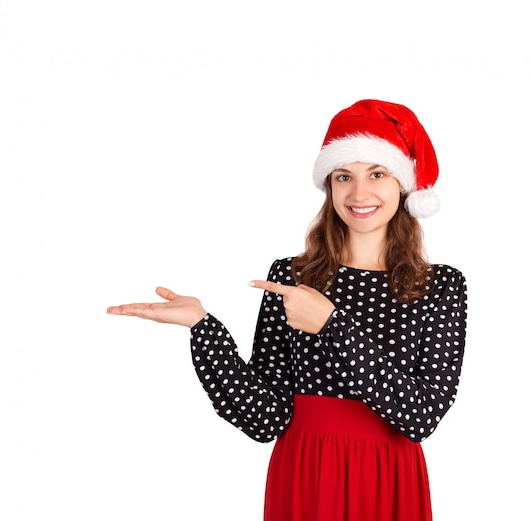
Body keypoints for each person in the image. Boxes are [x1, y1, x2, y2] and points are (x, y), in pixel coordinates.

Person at [107, 99, 468, 521]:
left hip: (387, 478)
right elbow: (265, 417)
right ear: (329, 186)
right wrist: (203, 329)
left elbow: (420, 416)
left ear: (403, 185)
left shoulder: (440, 286)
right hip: (305, 474)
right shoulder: (292, 277)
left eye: (377, 173)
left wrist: (331, 325)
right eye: (343, 176)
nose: (359, 193)